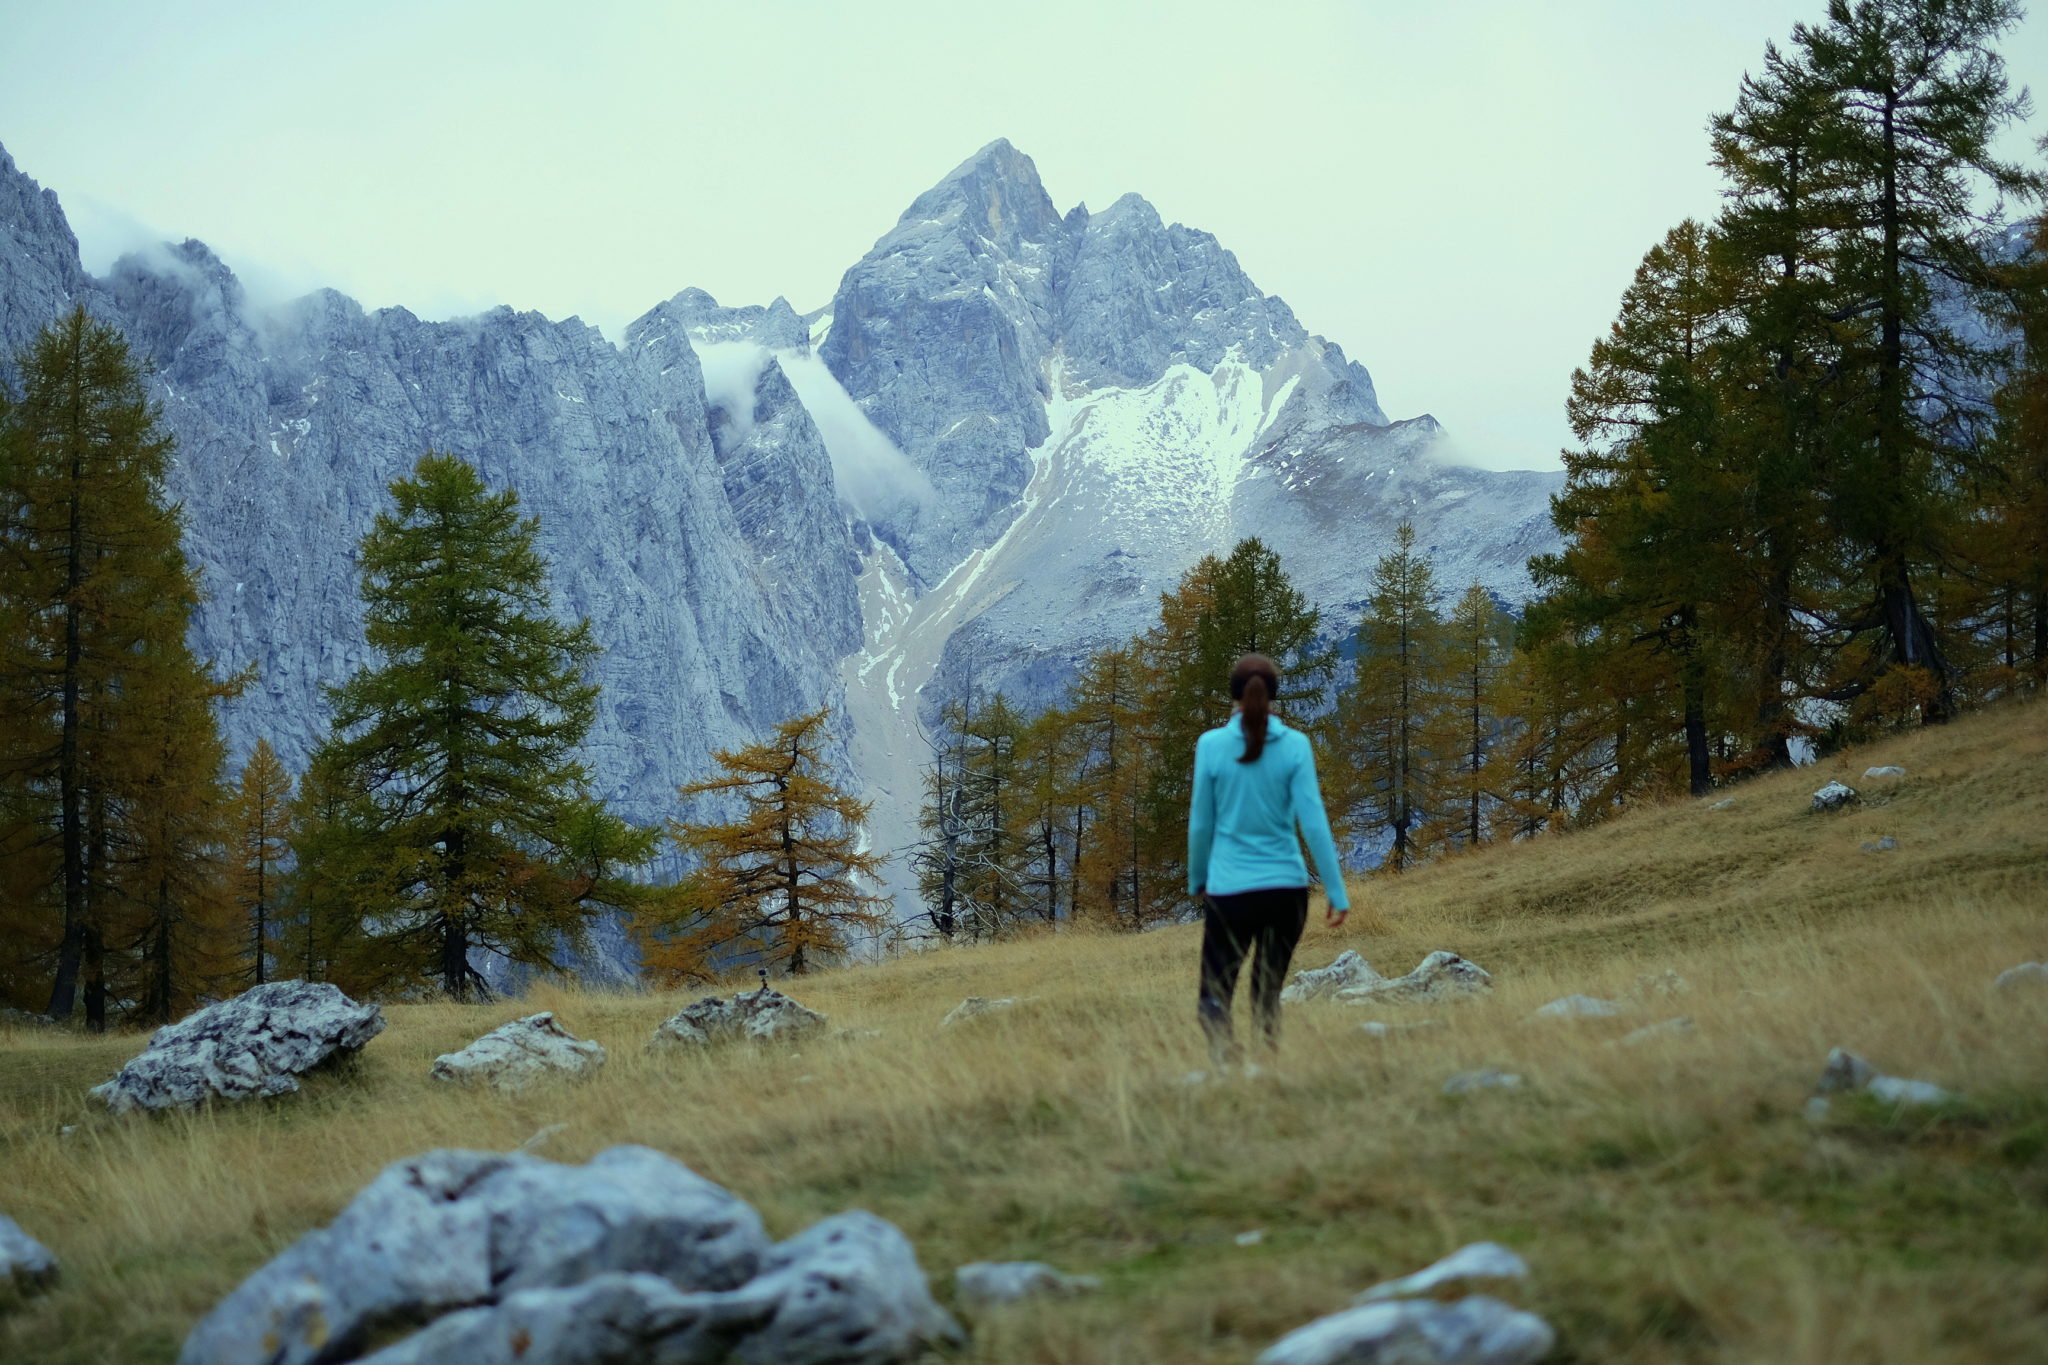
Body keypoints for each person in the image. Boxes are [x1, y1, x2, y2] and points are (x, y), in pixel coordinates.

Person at [1186, 653, 1350, 1064]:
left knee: (1214, 994)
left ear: (1233, 695)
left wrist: (1197, 879)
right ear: (1273, 696)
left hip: (1230, 892)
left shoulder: (1211, 746)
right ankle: (1268, 1068)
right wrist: (1336, 890)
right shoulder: (1296, 746)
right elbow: (1313, 824)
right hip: (1287, 892)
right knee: (1267, 991)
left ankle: (1228, 1064)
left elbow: (1201, 824)